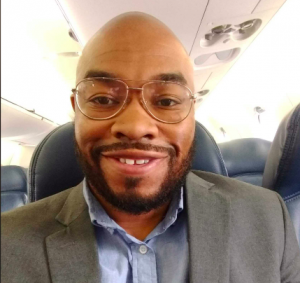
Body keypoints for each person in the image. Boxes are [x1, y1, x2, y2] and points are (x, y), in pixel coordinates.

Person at [2, 12, 300, 283]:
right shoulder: (8, 243)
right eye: (103, 99)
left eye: (167, 101)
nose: (135, 126)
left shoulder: (266, 219)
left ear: (192, 114)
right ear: (77, 111)